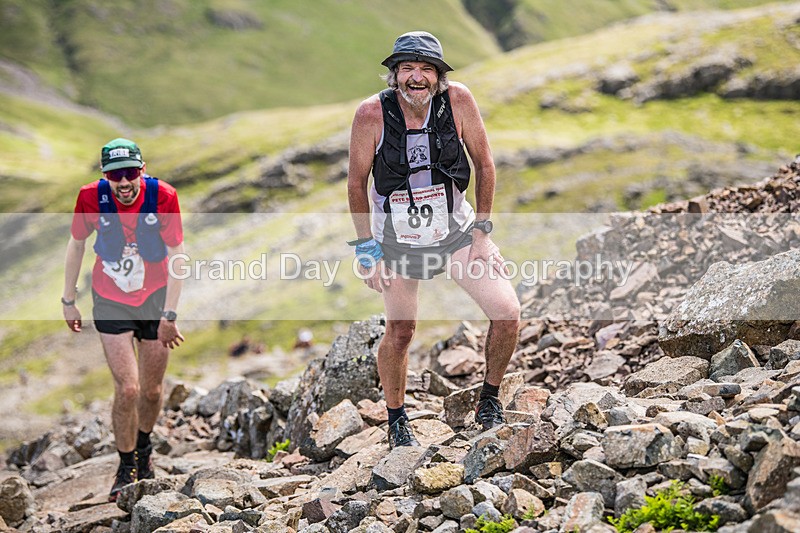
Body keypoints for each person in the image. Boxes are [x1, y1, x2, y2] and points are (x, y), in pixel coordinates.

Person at [347, 31, 521, 448]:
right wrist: (368, 248)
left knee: (507, 312)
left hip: (456, 230)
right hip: (396, 238)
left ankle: (489, 400)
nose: (416, 77)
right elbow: (356, 184)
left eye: (426, 69)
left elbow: (485, 165)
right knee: (401, 331)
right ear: (394, 74)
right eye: (407, 68)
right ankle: (396, 420)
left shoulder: (458, 100)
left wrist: (482, 233)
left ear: (439, 76)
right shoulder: (371, 113)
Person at [62, 138, 186, 501]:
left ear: (142, 170)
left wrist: (169, 314)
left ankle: (144, 451)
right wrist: (68, 300)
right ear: (106, 176)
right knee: (128, 389)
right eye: (116, 175)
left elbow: (178, 254)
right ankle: (126, 464)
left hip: (155, 298)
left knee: (152, 390)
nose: (124, 182)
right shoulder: (90, 198)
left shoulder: (163, 196)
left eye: (130, 173)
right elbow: (76, 244)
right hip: (110, 298)